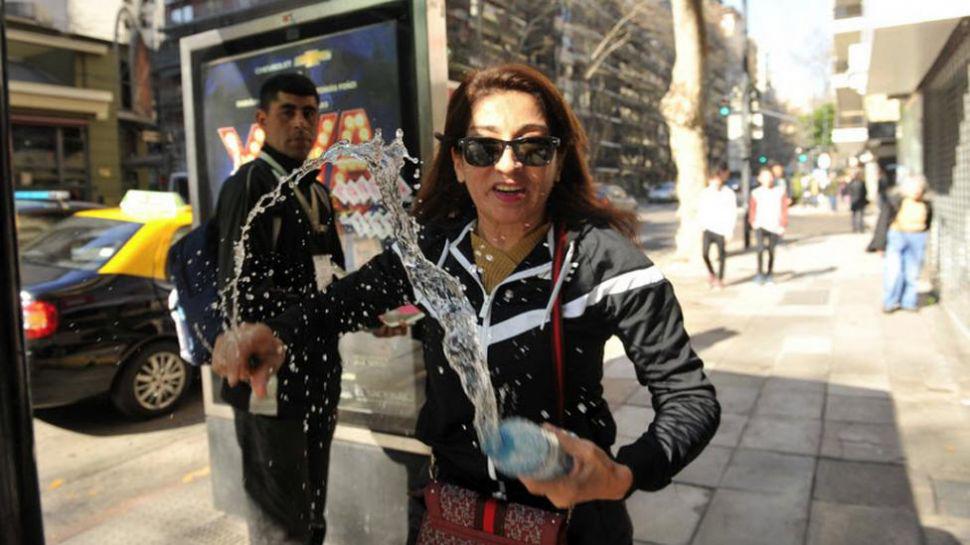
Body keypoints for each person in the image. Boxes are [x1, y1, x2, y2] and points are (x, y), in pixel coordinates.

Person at [211, 64, 720, 545]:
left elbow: (689, 397)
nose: (508, 165)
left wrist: (621, 474)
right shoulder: (429, 253)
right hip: (451, 519)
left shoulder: (603, 262)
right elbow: (337, 304)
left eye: (533, 147)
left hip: (572, 526)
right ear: (457, 161)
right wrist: (275, 333)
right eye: (483, 148)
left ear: (559, 159)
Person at [213, 73, 345, 545]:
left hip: (318, 376)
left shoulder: (316, 190)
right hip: (267, 383)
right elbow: (238, 291)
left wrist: (369, 313)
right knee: (281, 526)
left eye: (310, 113)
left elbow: (335, 276)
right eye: (287, 111)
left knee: (312, 515)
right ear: (262, 119)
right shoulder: (250, 185)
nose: (301, 123)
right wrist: (321, 308)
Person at [869, 175, 933, 313]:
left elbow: (928, 221)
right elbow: (883, 222)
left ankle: (908, 301)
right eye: (914, 188)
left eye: (919, 188)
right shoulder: (896, 201)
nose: (917, 191)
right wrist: (880, 245)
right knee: (894, 272)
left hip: (917, 237)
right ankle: (890, 301)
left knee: (912, 273)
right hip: (897, 236)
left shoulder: (926, 203)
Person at [698, 163, 737, 288]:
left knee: (721, 256)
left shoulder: (728, 193)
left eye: (718, 178)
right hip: (708, 228)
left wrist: (730, 231)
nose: (716, 182)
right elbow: (701, 210)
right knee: (705, 254)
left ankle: (720, 278)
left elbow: (732, 212)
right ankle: (712, 274)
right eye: (713, 179)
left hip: (722, 229)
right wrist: (701, 227)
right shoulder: (704, 193)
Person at [749, 166, 788, 284]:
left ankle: (769, 274)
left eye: (769, 176)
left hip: (774, 225)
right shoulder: (756, 193)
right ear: (759, 178)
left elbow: (784, 208)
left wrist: (783, 224)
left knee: (771, 250)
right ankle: (760, 273)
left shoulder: (780, 191)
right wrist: (753, 221)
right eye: (764, 176)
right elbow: (752, 209)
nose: (767, 179)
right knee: (760, 249)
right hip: (760, 224)